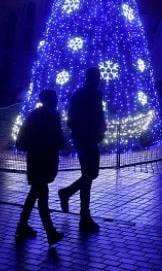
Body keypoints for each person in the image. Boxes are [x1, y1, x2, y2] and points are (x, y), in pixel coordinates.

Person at [58, 66, 107, 234]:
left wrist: (101, 129)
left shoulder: (95, 94)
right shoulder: (81, 95)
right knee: (89, 175)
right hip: (84, 139)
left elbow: (99, 114)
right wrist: (81, 133)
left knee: (90, 175)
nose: (98, 79)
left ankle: (68, 194)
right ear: (89, 78)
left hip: (90, 139)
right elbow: (73, 117)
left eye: (98, 76)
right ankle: (84, 216)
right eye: (96, 76)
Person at [15, 89, 65, 245]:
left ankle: (22, 225)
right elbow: (56, 138)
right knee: (42, 196)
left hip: (39, 159)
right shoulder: (48, 116)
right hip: (42, 160)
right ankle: (50, 232)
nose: (56, 100)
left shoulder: (39, 115)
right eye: (54, 98)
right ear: (49, 100)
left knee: (35, 193)